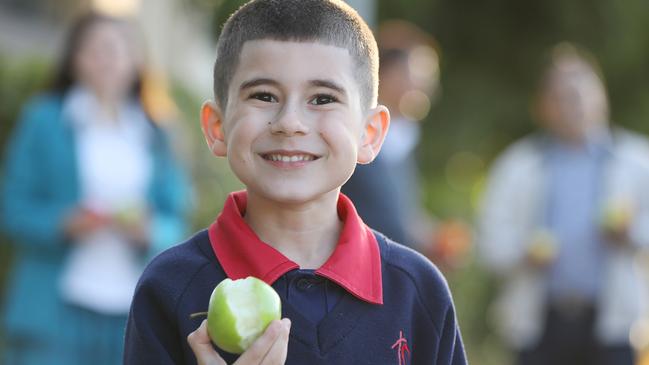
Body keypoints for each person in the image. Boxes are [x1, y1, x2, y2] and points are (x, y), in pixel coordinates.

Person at [123, 1, 467, 364]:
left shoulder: (417, 291)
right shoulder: (170, 286)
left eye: (322, 98)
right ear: (217, 127)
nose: (290, 122)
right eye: (263, 96)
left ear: (370, 133)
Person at [0, 12, 189, 365]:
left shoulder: (157, 131)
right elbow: (13, 206)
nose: (106, 61)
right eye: (95, 50)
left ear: (137, 60)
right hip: (52, 312)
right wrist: (63, 223)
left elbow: (174, 222)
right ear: (75, 59)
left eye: (117, 50)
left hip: (132, 311)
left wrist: (148, 230)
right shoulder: (44, 120)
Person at [477, 43, 649, 365]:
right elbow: (491, 243)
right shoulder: (517, 165)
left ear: (602, 97)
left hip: (615, 327)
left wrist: (632, 232)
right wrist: (524, 253)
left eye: (581, 94)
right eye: (561, 97)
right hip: (537, 326)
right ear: (541, 106)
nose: (574, 105)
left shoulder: (639, 161)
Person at [342, 20, 440, 250]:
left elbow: (401, 212)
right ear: (386, 74)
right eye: (419, 75)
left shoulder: (404, 139)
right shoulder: (351, 133)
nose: (426, 88)